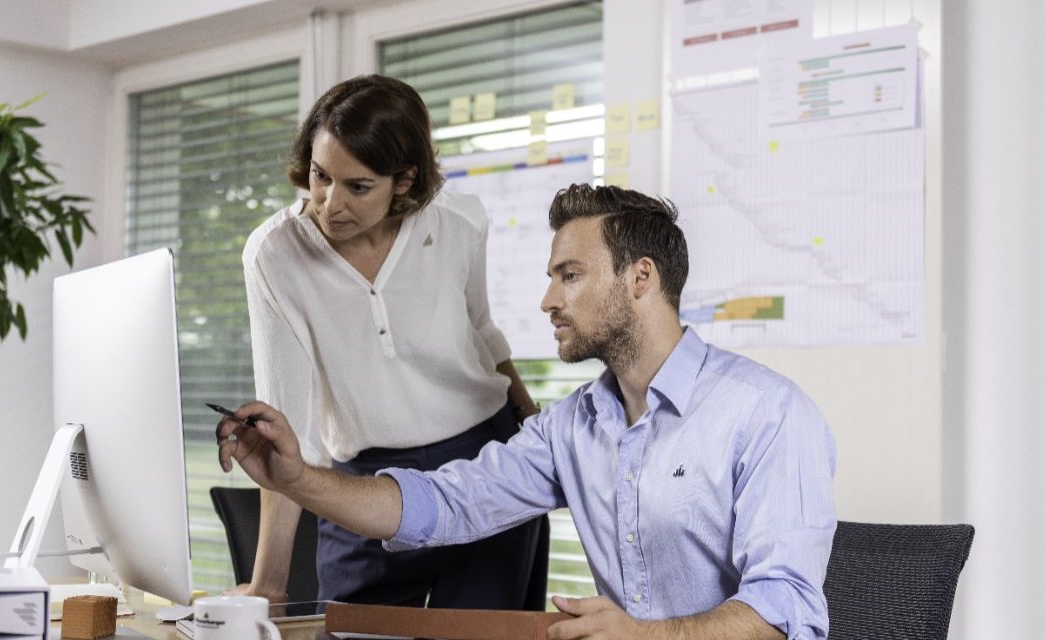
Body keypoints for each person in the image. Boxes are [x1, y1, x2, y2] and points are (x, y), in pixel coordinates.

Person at [220, 184, 837, 639]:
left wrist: (646, 635)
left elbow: (785, 609)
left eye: (570, 275)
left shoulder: (767, 413)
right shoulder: (573, 428)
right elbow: (441, 505)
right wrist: (296, 478)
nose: (547, 300)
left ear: (641, 278)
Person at [233, 74, 547, 609]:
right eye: (320, 176)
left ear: (404, 180)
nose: (330, 204)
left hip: (480, 461)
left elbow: (482, 330)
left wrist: (529, 422)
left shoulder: (458, 220)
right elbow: (284, 428)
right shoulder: (274, 255)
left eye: (358, 187)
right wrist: (269, 586)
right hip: (361, 484)